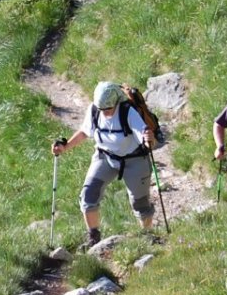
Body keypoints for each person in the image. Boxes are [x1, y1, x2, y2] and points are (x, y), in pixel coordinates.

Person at [52, 81, 156, 245]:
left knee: (140, 203)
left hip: (134, 160)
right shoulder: (95, 110)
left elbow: (146, 138)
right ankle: (93, 237)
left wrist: (148, 139)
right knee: (88, 195)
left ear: (116, 102)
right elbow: (85, 132)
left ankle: (147, 236)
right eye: (102, 109)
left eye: (109, 109)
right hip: (105, 158)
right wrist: (65, 147)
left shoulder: (128, 112)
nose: (105, 113)